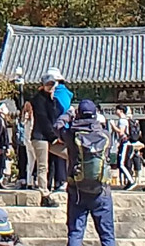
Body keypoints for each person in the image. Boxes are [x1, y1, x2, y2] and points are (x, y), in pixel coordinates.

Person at [55, 99, 116, 246]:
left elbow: (57, 126)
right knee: (107, 236)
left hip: (77, 190)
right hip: (101, 190)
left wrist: (68, 115)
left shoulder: (71, 134)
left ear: (78, 114)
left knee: (76, 233)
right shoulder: (105, 134)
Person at [31, 73, 61, 207]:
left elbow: (57, 113)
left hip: (49, 136)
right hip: (40, 136)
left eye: (52, 84)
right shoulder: (38, 100)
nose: (50, 87)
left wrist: (53, 98)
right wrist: (53, 137)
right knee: (43, 166)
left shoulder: (51, 100)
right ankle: (44, 193)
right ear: (42, 85)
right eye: (48, 84)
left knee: (68, 154)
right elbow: (43, 120)